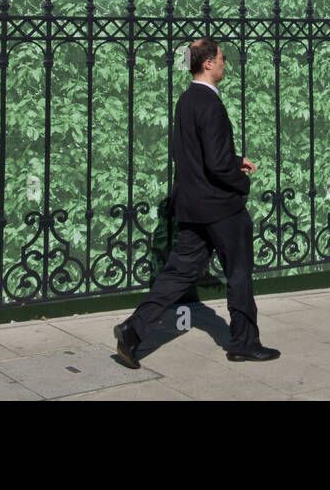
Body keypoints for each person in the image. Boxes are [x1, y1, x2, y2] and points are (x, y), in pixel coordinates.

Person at [114, 37, 280, 367]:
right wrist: (241, 181)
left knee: (178, 273)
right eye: (221, 58)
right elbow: (216, 164)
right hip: (221, 207)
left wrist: (234, 160)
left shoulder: (186, 101)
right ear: (208, 64)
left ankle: (133, 330)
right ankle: (244, 343)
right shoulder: (210, 103)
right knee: (239, 274)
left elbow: (197, 155)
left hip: (192, 206)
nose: (224, 63)